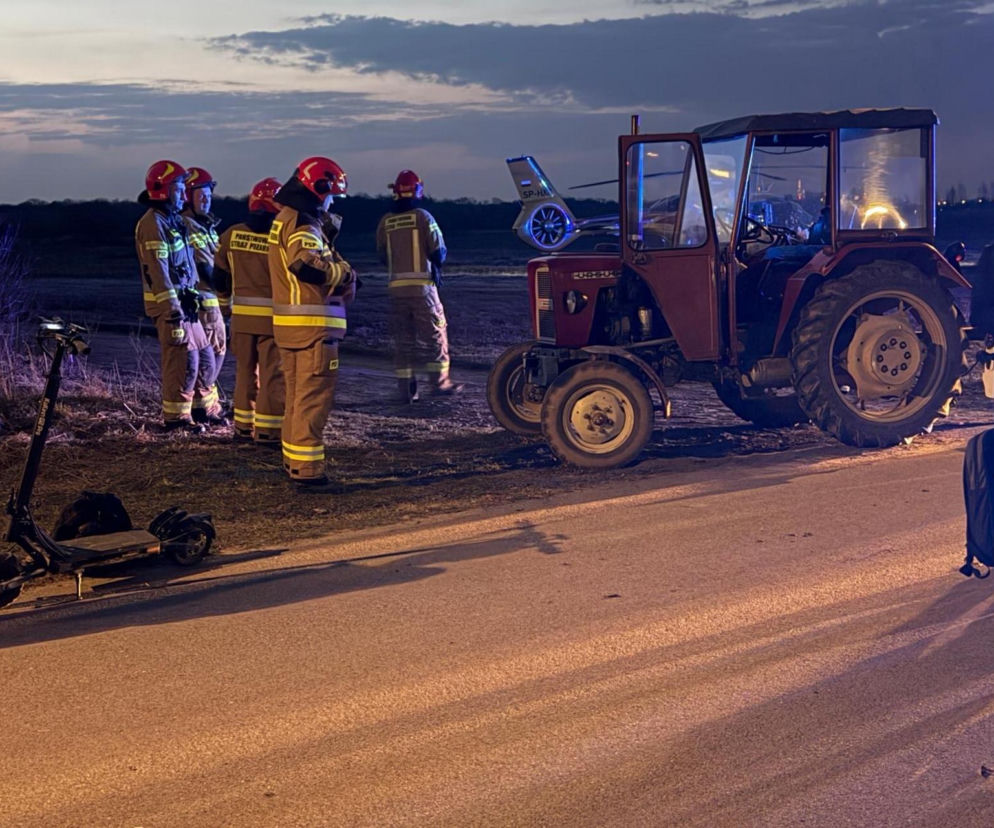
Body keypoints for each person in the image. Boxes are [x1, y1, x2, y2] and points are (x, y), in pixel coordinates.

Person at [267, 156, 357, 489]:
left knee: (296, 400)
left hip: (292, 330)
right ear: (318, 189)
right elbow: (304, 265)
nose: (332, 201)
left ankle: (294, 464)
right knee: (313, 402)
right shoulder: (305, 224)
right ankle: (308, 473)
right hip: (313, 331)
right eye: (331, 194)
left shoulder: (286, 218)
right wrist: (344, 273)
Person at [135, 160, 224, 432]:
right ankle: (176, 419)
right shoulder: (152, 224)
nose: (184, 195)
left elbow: (183, 266)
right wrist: (172, 309)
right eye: (179, 188)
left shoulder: (171, 220)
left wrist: (190, 296)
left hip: (187, 304)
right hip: (172, 308)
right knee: (182, 362)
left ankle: (202, 411)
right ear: (163, 189)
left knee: (205, 358)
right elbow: (157, 270)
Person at [375, 169, 462, 403]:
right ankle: (440, 384)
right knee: (435, 336)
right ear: (417, 190)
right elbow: (439, 252)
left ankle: (406, 391)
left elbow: (382, 255)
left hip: (396, 290)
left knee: (403, 342)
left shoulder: (386, 221)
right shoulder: (423, 217)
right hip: (423, 289)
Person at [214, 177, 286, 446]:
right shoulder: (280, 236)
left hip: (241, 320)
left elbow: (220, 275)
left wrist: (224, 305)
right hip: (273, 320)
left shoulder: (231, 235)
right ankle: (268, 432)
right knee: (272, 376)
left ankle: (243, 428)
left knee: (245, 373)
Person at [180, 166, 227, 424]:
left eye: (209, 195)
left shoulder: (204, 225)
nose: (207, 200)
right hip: (205, 302)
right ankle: (204, 409)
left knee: (213, 353)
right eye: (201, 195)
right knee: (212, 353)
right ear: (188, 196)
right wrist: (230, 283)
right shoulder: (190, 226)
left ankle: (206, 406)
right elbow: (206, 267)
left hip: (212, 301)